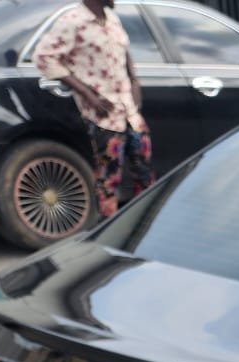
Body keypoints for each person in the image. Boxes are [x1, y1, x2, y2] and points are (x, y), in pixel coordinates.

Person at [34, 0, 154, 219]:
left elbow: (124, 49)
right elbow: (44, 57)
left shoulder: (111, 19)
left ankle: (145, 224)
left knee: (145, 174)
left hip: (129, 111)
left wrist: (135, 81)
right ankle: (110, 229)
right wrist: (87, 94)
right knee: (109, 181)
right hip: (104, 117)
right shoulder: (72, 22)